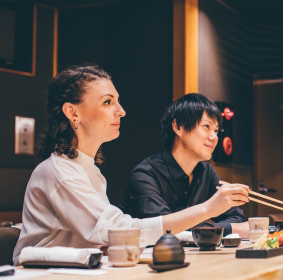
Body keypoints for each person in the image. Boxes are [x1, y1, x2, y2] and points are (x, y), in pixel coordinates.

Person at [13, 65, 249, 263]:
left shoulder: (88, 169)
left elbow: (101, 237)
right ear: (72, 112)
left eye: (118, 102)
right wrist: (209, 209)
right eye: (108, 102)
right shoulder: (60, 171)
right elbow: (118, 232)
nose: (121, 111)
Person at [121, 94, 246, 235]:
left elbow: (237, 217)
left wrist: (209, 228)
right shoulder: (145, 175)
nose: (214, 137)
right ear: (178, 126)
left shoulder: (206, 172)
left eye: (216, 130)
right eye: (206, 126)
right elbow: (162, 229)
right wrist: (227, 228)